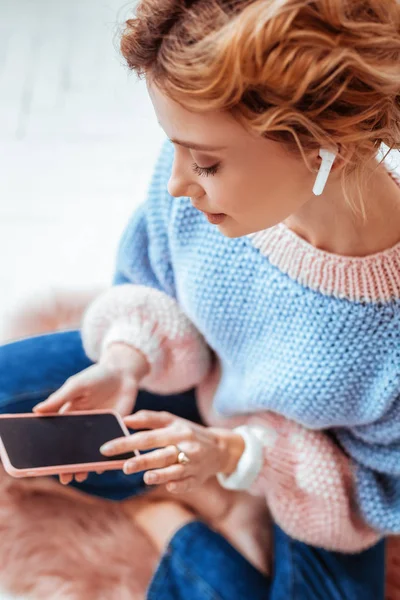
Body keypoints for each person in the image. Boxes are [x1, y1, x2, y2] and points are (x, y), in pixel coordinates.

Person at [2, 0, 400, 597]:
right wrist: (125, 361)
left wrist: (235, 455)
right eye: (177, 145)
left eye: (207, 163)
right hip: (193, 382)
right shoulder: (199, 193)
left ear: (324, 143)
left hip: (312, 475)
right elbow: (150, 281)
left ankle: (168, 522)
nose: (177, 183)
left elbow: (382, 486)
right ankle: (174, 487)